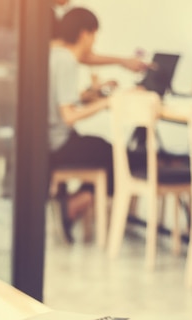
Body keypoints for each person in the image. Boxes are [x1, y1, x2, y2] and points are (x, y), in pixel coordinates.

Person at [48, 7, 146, 243]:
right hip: (59, 142)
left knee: (107, 150)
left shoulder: (55, 55)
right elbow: (69, 116)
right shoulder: (67, 61)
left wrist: (96, 94)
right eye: (94, 36)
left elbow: (65, 98)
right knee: (118, 157)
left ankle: (77, 199)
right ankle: (75, 202)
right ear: (85, 34)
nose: (94, 42)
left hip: (49, 140)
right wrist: (108, 102)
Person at [51, 0, 148, 73]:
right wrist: (122, 61)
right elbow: (70, 51)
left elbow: (74, 52)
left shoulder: (51, 15)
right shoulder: (42, 13)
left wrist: (123, 61)